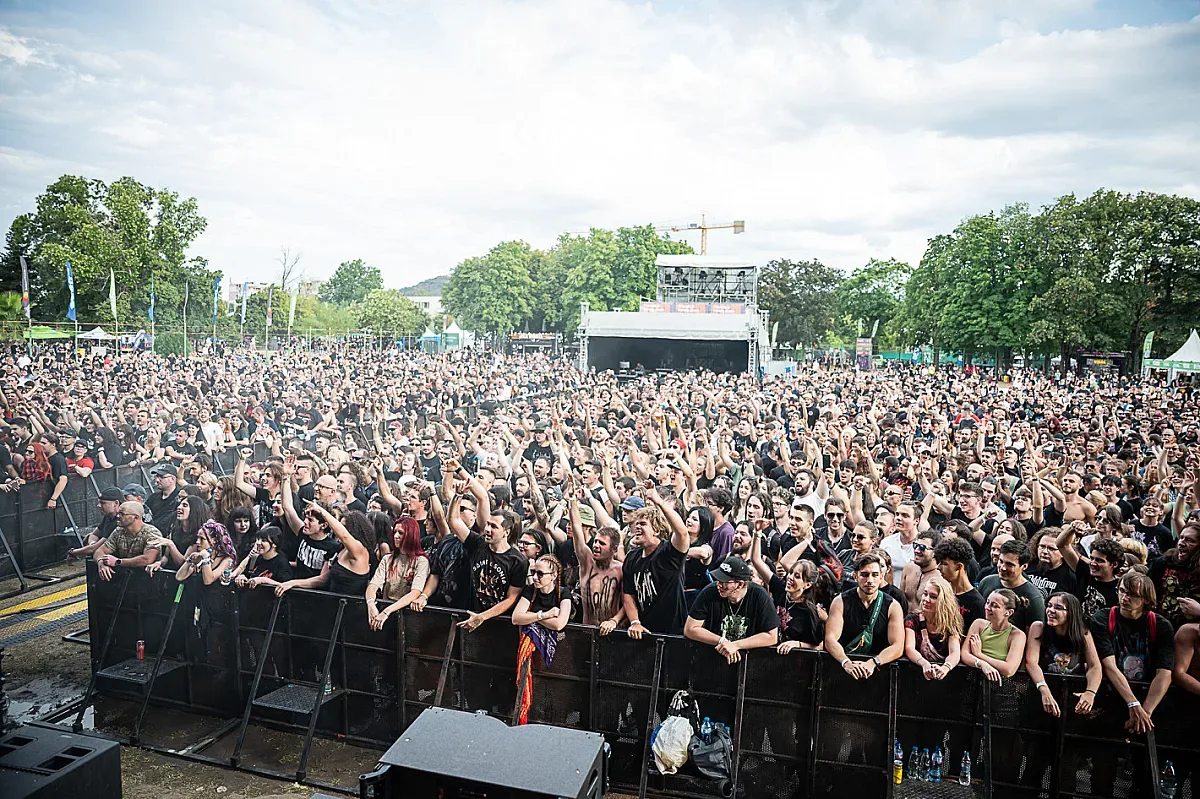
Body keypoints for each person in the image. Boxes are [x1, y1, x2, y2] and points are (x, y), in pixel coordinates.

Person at [1089, 570, 1175, 734]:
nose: (1124, 598)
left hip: (1149, 696)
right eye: (1121, 591)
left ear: (1146, 599)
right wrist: (1133, 704)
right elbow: (1109, 665)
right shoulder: (1103, 618)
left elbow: (1165, 672)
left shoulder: (1161, 625)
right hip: (1111, 694)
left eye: (1133, 594)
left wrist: (1145, 713)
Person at [622, 484, 690, 638]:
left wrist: (659, 501)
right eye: (636, 524)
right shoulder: (632, 557)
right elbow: (628, 595)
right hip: (644, 633)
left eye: (643, 524)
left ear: (657, 530)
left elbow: (683, 533)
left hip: (673, 635)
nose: (637, 527)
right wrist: (634, 622)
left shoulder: (669, 553)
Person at [824, 552, 905, 680]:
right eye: (864, 575)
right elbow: (830, 639)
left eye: (875, 575)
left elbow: (897, 646)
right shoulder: (841, 602)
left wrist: (873, 663)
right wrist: (846, 662)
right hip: (843, 670)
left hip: (879, 672)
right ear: (855, 576)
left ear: (882, 576)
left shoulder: (892, 606)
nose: (870, 580)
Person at [684, 556, 780, 664]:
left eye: (725, 582)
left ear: (740, 584)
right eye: (718, 580)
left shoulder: (759, 595)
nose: (719, 585)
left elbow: (772, 636)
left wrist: (736, 645)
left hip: (750, 662)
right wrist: (722, 641)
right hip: (714, 659)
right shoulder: (710, 592)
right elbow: (690, 629)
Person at [1023, 592, 1102, 717]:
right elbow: (1031, 662)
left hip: (1072, 698)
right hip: (1041, 692)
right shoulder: (1038, 627)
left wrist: (1090, 692)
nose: (1050, 610)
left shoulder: (1083, 633)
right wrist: (1044, 690)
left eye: (1058, 608)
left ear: (1071, 613)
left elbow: (1095, 666)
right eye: (1049, 606)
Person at [568, 490, 624, 631]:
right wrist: (572, 499)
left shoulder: (621, 570)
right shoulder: (587, 562)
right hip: (587, 631)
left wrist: (614, 621)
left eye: (602, 544)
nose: (596, 546)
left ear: (614, 549)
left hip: (613, 633)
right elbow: (576, 528)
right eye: (596, 542)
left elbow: (629, 602)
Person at [366, 517, 429, 630]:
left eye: (400, 533)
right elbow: (373, 584)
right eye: (394, 532)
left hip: (408, 617)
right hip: (386, 613)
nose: (396, 536)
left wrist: (387, 611)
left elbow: (415, 592)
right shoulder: (387, 559)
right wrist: (370, 604)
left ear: (410, 534)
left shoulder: (421, 561)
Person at [977, 539, 1046, 630]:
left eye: (1009, 564)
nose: (1003, 568)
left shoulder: (1034, 598)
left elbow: (1033, 636)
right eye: (1001, 561)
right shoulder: (986, 582)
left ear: (1024, 566)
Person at [904, 575, 963, 680]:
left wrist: (945, 667)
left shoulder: (951, 622)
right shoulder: (912, 619)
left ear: (943, 600)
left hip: (945, 679)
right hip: (914, 676)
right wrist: (924, 664)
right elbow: (909, 648)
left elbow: (955, 652)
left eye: (933, 597)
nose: (926, 599)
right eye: (925, 594)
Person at [962, 589, 1028, 684]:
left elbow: (1009, 670)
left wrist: (979, 655)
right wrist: (981, 664)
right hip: (973, 682)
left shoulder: (1017, 635)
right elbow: (964, 653)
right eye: (987, 602)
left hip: (1000, 686)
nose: (987, 608)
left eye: (994, 605)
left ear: (1008, 612)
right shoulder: (978, 624)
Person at [92, 501, 163, 582]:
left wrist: (118, 562)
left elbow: (147, 559)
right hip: (127, 579)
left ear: (135, 517)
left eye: (122, 514)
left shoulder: (152, 533)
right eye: (118, 513)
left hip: (149, 580)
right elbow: (100, 551)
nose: (118, 516)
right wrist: (101, 563)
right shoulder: (119, 531)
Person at [934, 536, 987, 627]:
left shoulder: (977, 603)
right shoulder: (943, 592)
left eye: (944, 564)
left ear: (959, 567)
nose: (938, 567)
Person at [174, 520, 237, 585]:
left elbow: (208, 580)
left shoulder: (227, 559)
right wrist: (190, 560)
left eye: (202, 539)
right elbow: (179, 577)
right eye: (197, 538)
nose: (197, 542)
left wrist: (205, 559)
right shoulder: (198, 552)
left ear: (214, 540)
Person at [899, 529, 940, 607]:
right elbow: (900, 600)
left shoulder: (940, 577)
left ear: (935, 552)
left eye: (922, 547)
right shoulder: (909, 568)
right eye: (915, 545)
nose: (916, 550)